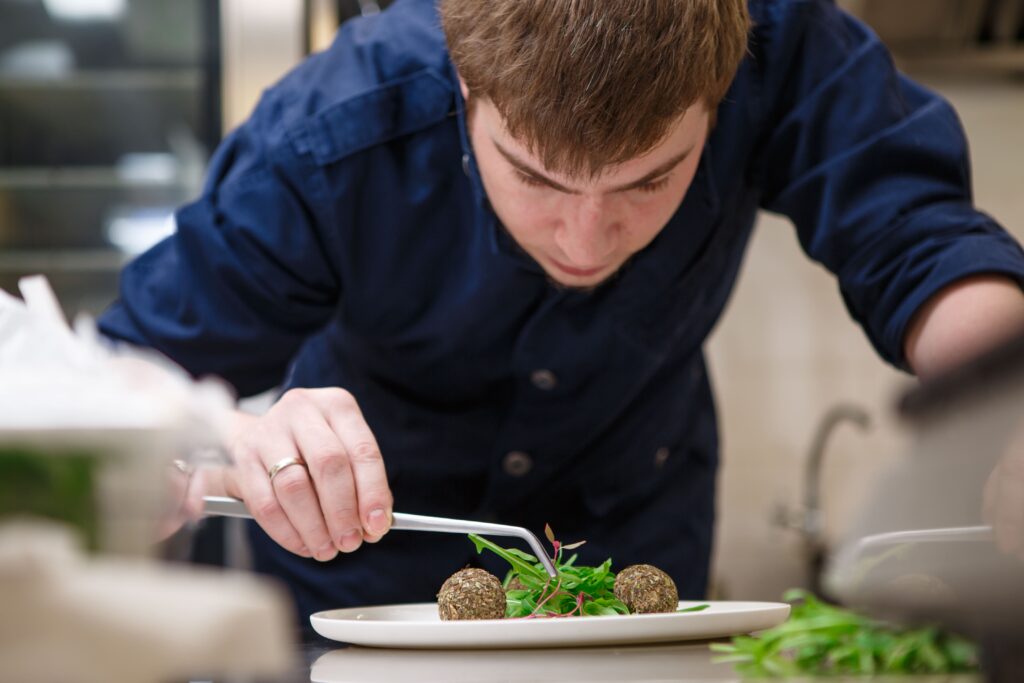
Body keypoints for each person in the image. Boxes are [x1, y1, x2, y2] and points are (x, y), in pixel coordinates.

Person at [99, 0, 1024, 623]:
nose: (585, 241)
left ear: (725, 93)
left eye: (651, 179)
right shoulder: (332, 131)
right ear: (465, 94)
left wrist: (1006, 411)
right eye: (534, 178)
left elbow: (917, 238)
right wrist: (224, 434)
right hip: (361, 593)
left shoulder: (776, 39)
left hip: (637, 558)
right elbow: (116, 382)